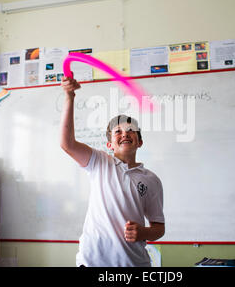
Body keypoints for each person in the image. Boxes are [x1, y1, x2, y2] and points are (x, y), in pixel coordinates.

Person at [60, 76, 165, 267]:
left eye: (131, 130)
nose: (124, 133)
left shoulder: (151, 180)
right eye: (118, 131)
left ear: (139, 141)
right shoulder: (99, 162)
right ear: (109, 144)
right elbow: (67, 144)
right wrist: (69, 97)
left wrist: (143, 233)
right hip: (92, 262)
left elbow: (159, 228)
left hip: (134, 264)